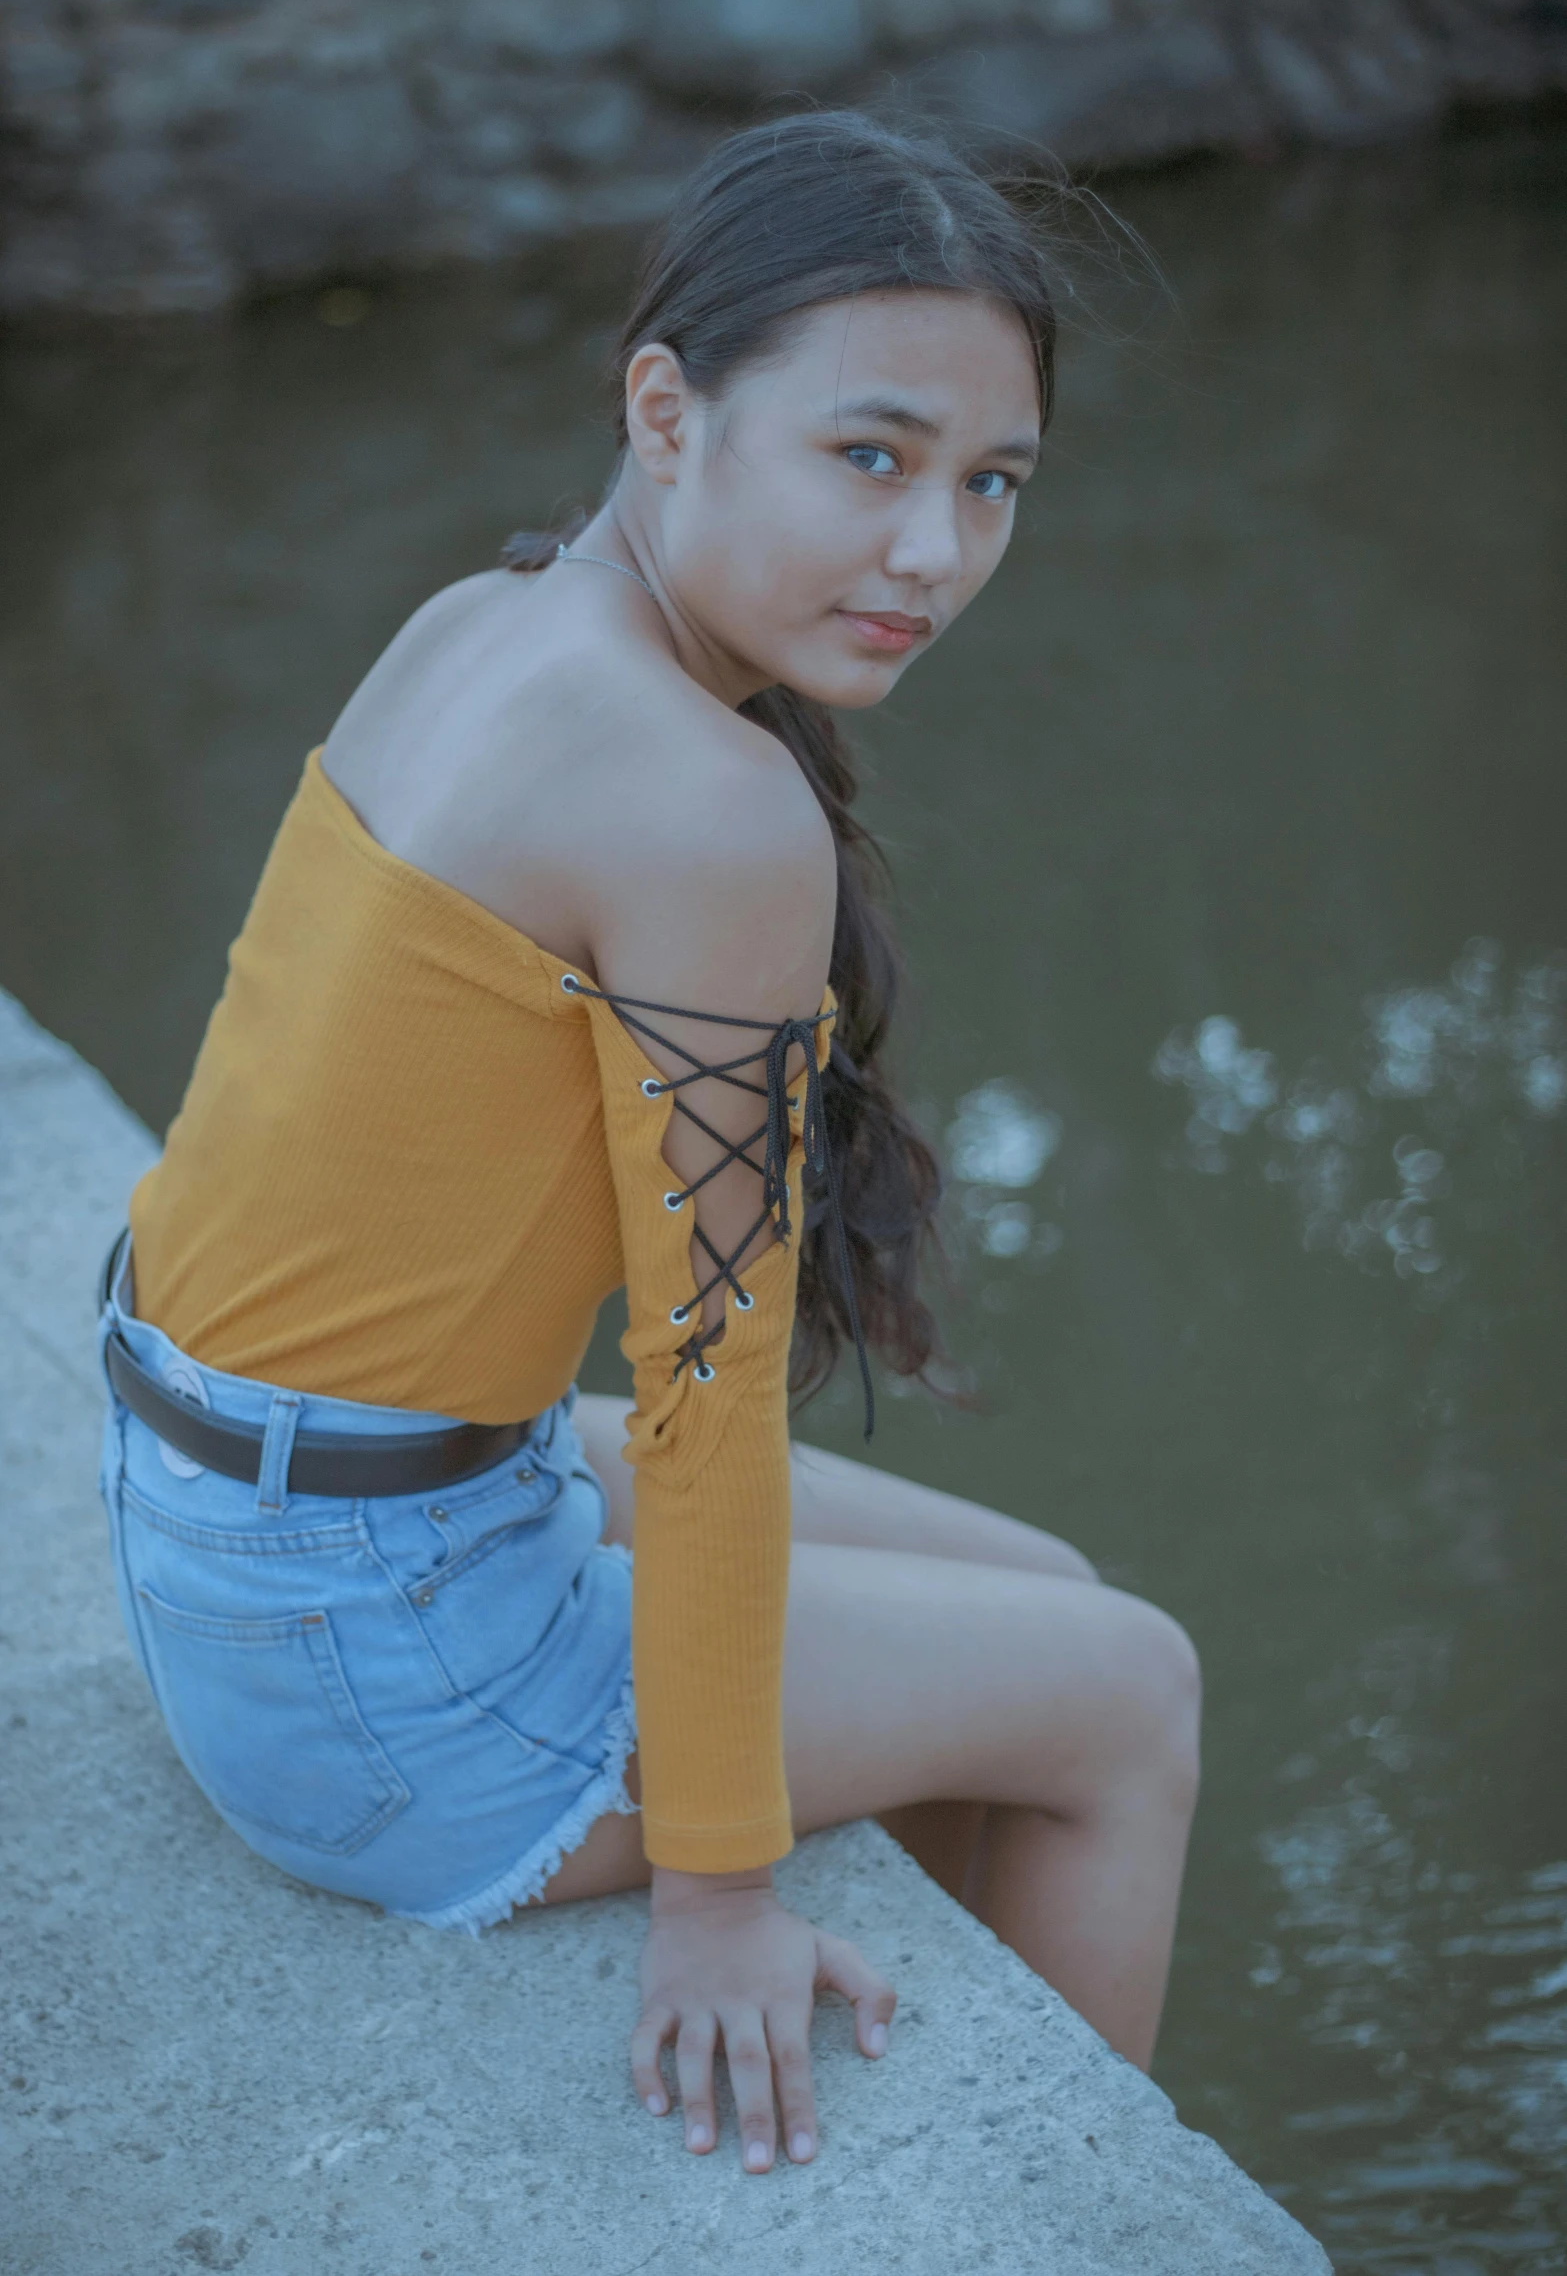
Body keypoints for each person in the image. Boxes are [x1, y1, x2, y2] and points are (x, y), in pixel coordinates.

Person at [97, 111, 1200, 2176]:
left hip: (225, 1519)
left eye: (992, 484)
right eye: (870, 456)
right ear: (667, 410)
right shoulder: (707, 809)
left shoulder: (482, 617)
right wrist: (717, 1888)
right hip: (371, 1654)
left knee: (1042, 1585)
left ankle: (965, 2100)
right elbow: (700, 1399)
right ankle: (1076, 2204)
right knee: (1129, 1688)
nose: (933, 554)